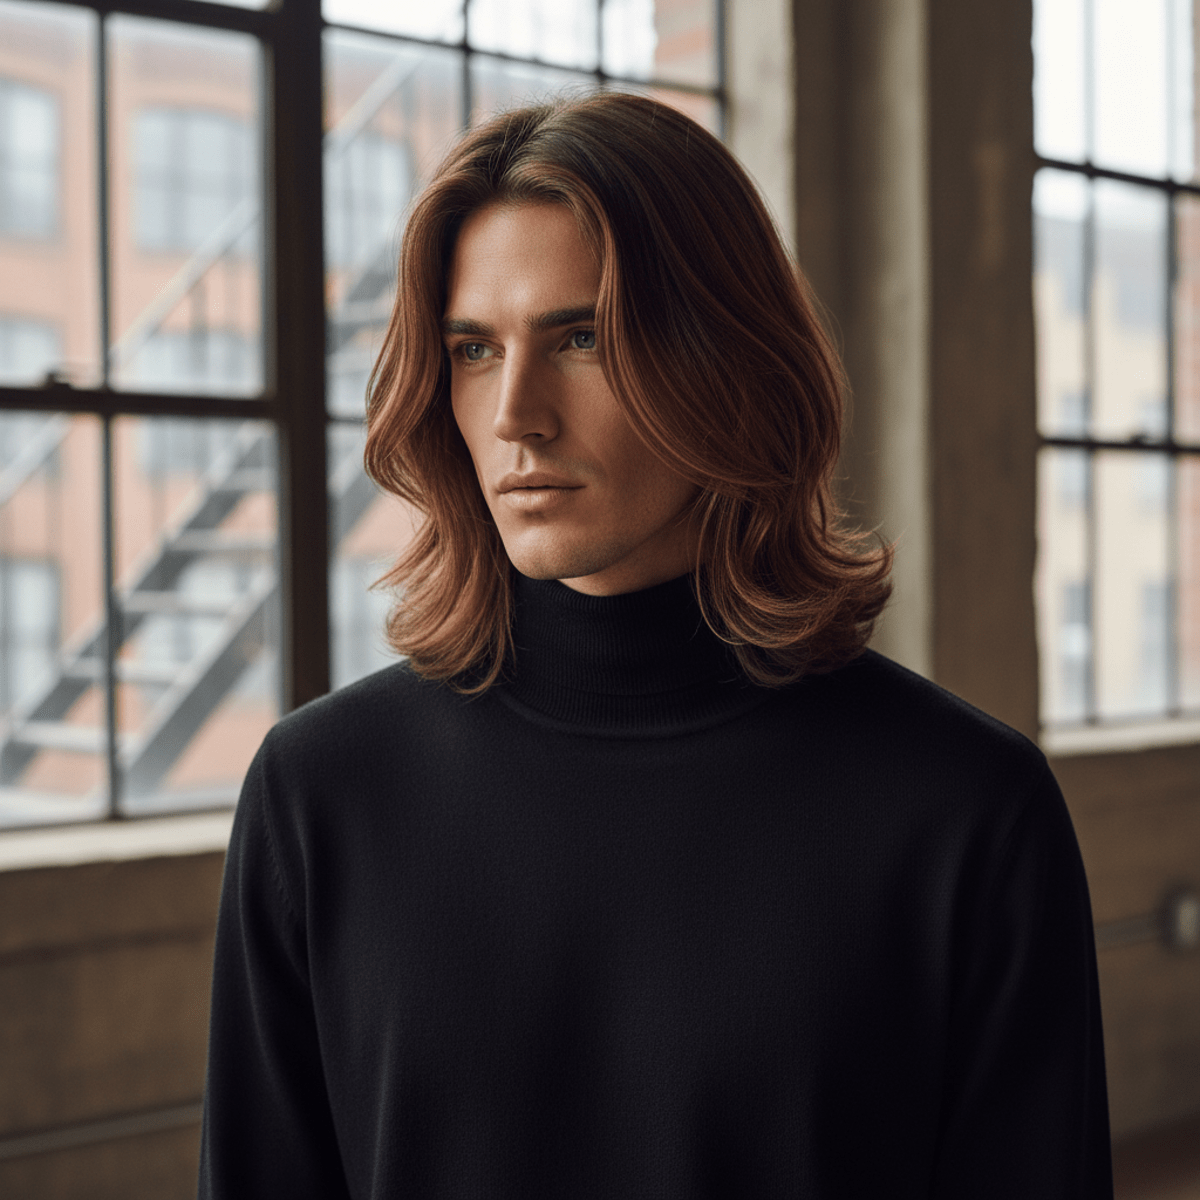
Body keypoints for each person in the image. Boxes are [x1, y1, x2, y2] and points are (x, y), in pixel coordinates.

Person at [198, 93, 1112, 1198]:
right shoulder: (319, 794)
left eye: (580, 338)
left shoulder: (966, 810)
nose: (516, 415)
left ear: (728, 359)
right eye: (474, 349)